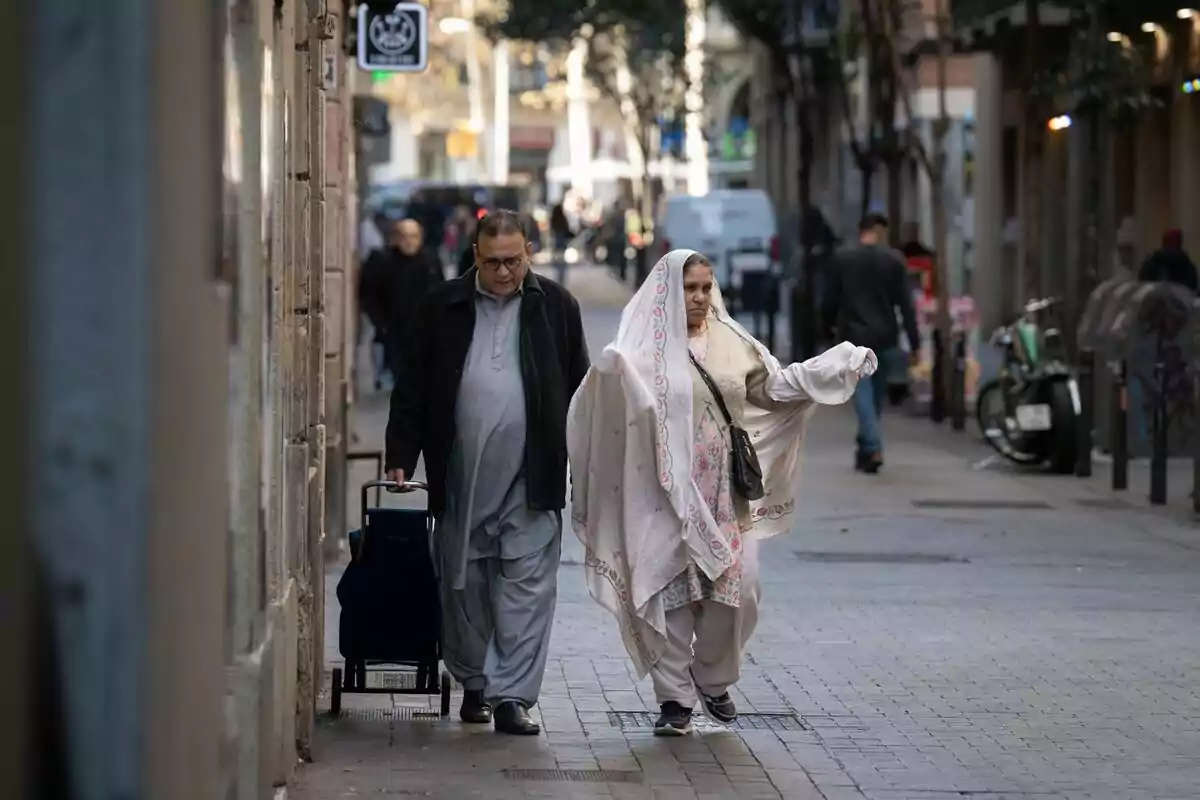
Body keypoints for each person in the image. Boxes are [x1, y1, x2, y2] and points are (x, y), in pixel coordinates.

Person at [568, 249, 875, 736]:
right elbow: (606, 407)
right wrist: (609, 376)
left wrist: (833, 367)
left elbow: (772, 388)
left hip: (726, 496)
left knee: (741, 591)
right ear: (669, 291)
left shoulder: (734, 341)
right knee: (669, 593)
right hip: (662, 495)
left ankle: (710, 677)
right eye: (690, 288)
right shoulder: (641, 347)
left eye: (706, 287)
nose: (699, 297)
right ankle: (674, 702)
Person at [384, 210, 590, 736]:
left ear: (529, 255)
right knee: (465, 583)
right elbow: (411, 388)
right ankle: (474, 682)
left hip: (532, 475)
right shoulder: (442, 307)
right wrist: (401, 454)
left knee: (528, 586)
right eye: (494, 262)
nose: (505, 272)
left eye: (514, 261)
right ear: (475, 255)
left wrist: (588, 461)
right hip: (461, 476)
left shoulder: (557, 307)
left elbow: (581, 392)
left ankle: (512, 698)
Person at [823, 213, 920, 474]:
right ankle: (869, 445)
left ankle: (870, 444)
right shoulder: (893, 261)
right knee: (875, 396)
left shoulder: (844, 260)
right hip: (885, 336)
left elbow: (829, 301)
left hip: (854, 338)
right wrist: (915, 342)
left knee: (864, 395)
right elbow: (906, 306)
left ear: (861, 230)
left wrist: (827, 333)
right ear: (881, 231)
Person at [359, 219, 445, 386]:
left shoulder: (430, 261)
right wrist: (380, 324)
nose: (409, 241)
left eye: (413, 236)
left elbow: (440, 291)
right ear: (395, 238)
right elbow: (368, 295)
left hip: (422, 329)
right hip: (392, 330)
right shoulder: (381, 260)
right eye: (404, 236)